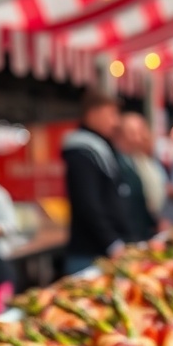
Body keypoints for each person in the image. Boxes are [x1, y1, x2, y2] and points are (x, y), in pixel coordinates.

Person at [62, 89, 133, 274]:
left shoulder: (99, 147)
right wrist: (112, 243)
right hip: (91, 255)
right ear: (93, 114)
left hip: (103, 251)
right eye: (111, 114)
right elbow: (86, 203)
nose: (116, 122)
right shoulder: (81, 151)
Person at [115, 113, 158, 241]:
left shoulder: (135, 160)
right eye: (135, 133)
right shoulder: (115, 163)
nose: (141, 137)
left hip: (141, 234)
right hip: (127, 238)